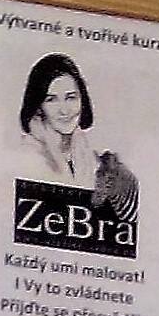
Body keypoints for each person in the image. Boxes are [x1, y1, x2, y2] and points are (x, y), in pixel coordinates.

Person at [17, 55, 139, 220]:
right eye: (51, 100)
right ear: (39, 106)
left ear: (83, 100)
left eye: (71, 97)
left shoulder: (97, 163)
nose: (64, 110)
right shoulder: (26, 156)